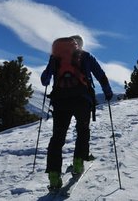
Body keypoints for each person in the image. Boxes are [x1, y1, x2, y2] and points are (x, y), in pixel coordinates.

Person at [41, 35, 113, 190]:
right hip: (82, 99)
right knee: (82, 129)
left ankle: (54, 176)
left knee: (58, 137)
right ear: (80, 45)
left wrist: (52, 68)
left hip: (60, 101)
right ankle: (78, 162)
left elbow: (44, 80)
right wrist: (107, 92)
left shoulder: (56, 58)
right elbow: (100, 74)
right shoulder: (86, 56)